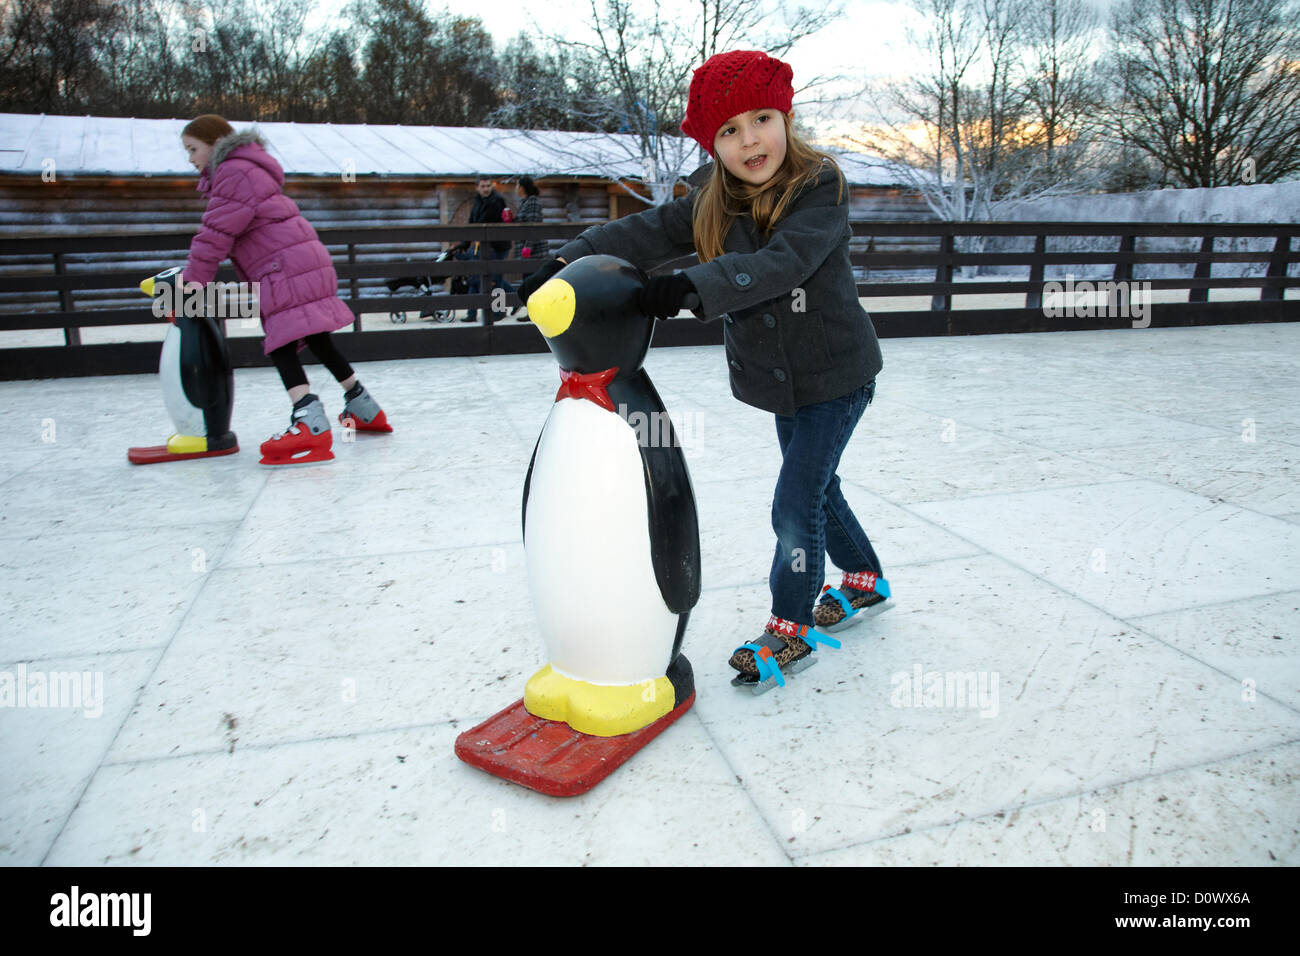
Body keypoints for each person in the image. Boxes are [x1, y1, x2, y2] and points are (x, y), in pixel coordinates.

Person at [518, 50, 888, 686]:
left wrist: (693, 286)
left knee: (796, 502)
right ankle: (864, 580)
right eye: (729, 130)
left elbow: (785, 264)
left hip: (836, 376)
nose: (751, 140)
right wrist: (565, 258)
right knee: (819, 488)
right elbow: (646, 232)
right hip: (781, 383)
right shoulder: (713, 200)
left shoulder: (817, 188)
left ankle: (789, 628)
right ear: (712, 143)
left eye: (761, 119)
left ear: (786, 116)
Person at [179, 114, 391, 465]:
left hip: (283, 269)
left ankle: (309, 423)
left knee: (281, 343)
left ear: (215, 144)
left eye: (193, 149)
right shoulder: (246, 168)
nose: (190, 159)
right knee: (317, 338)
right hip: (302, 261)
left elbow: (214, 237)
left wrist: (188, 287)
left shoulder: (232, 172)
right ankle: (363, 407)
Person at [465, 175, 516, 324]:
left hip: (498, 245)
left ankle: (499, 310)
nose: (486, 189)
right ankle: (515, 296)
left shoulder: (496, 201)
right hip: (485, 245)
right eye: (483, 186)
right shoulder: (477, 201)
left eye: (488, 186)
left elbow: (485, 221)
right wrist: (465, 241)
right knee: (488, 276)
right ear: (477, 188)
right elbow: (473, 221)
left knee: (496, 279)